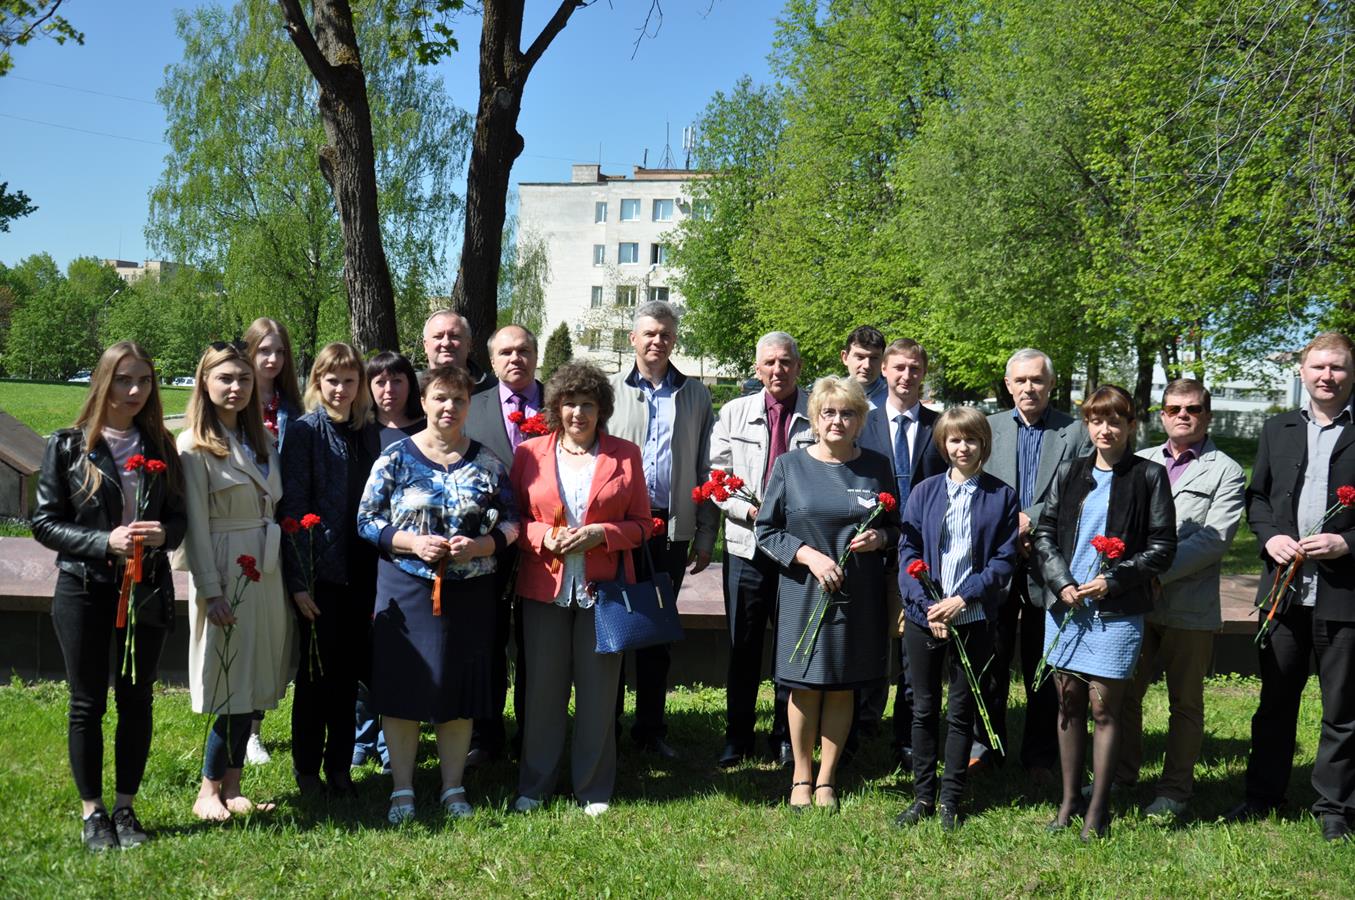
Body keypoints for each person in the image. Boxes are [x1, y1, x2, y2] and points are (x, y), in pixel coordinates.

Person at [32, 341, 188, 851]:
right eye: (125, 379)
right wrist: (104, 542)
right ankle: (92, 812)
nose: (136, 390)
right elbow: (44, 521)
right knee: (86, 702)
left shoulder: (161, 444)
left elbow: (180, 517)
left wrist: (165, 534)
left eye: (144, 380)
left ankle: (125, 806)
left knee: (137, 699)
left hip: (145, 590)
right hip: (84, 587)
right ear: (104, 381)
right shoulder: (68, 445)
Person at [356, 365, 519, 823]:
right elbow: (366, 521)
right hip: (406, 589)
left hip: (470, 593)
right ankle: (402, 789)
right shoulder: (395, 459)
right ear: (424, 402)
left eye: (459, 400)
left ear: (469, 405)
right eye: (441, 398)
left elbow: (513, 522)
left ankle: (452, 787)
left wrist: (483, 545)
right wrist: (412, 542)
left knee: (459, 689)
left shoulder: (488, 462)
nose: (450, 407)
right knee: (403, 687)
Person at [1225, 332, 1355, 843]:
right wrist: (1270, 536)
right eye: (1319, 366)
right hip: (1284, 593)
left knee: (1343, 708)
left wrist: (1348, 544)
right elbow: (1257, 499)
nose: (1328, 376)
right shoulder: (1276, 428)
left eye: (1339, 368)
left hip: (1344, 595)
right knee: (1276, 699)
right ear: (1302, 371)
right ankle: (1262, 794)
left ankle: (1335, 806)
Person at [509, 361, 653, 816]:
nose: (577, 413)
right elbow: (515, 519)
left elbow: (643, 525)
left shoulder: (624, 455)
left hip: (603, 592)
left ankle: (593, 789)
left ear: (601, 409)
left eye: (587, 404)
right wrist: (542, 538)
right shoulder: (529, 453)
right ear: (555, 406)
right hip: (544, 588)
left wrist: (601, 535)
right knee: (542, 694)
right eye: (569, 403)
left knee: (598, 695)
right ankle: (534, 786)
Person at [1033, 384, 1175, 840]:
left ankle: (1099, 806)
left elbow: (1162, 547)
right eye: (1096, 420)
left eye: (1115, 420)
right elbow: (1044, 534)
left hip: (1116, 612)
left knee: (1103, 707)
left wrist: (1113, 580)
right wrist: (1062, 582)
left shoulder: (1149, 476)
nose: (1105, 429)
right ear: (1087, 424)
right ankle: (1069, 800)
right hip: (1067, 607)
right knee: (1067, 702)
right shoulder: (1070, 472)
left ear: (1132, 425)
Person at [756, 376, 900, 811]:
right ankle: (800, 775)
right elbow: (766, 530)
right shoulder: (789, 465)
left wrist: (880, 539)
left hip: (859, 594)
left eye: (848, 413)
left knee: (842, 685)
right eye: (829, 413)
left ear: (860, 421)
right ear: (815, 419)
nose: (838, 421)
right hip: (803, 590)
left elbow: (897, 527)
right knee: (804, 685)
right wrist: (808, 557)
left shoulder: (876, 467)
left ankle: (827, 779)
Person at [1112, 379, 1244, 822]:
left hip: (1189, 604)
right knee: (1124, 694)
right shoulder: (1141, 461)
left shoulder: (1226, 470)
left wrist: (1151, 572)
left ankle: (1174, 790)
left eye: (1193, 408)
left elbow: (1213, 539)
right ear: (1162, 415)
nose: (1183, 415)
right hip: (1137, 603)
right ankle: (1121, 773)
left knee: (1184, 703)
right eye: (1174, 408)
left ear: (1206, 414)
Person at [174, 341, 293, 821]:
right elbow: (196, 527)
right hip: (225, 567)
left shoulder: (258, 440)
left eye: (243, 379)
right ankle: (207, 790)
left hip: (265, 567)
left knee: (252, 678)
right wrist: (211, 589)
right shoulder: (193, 446)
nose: (236, 387)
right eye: (225, 378)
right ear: (204, 382)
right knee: (227, 682)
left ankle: (235, 784)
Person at [895, 407, 1018, 830]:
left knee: (962, 711)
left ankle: (951, 799)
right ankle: (923, 796)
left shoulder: (1002, 496)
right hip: (924, 616)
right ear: (942, 444)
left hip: (974, 616)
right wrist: (928, 605)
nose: (961, 447)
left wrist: (961, 600)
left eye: (970, 440)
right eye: (953, 440)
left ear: (983, 443)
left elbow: (1002, 563)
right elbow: (907, 552)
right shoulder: (924, 491)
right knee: (924, 708)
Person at [607, 300, 718, 759]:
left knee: (656, 632)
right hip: (615, 529)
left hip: (669, 530)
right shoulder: (610, 390)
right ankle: (605, 728)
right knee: (611, 629)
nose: (657, 341)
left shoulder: (695, 395)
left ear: (675, 340)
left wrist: (706, 534)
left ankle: (651, 731)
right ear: (632, 338)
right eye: (649, 333)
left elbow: (705, 468)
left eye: (666, 334)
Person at [974, 348, 1090, 776]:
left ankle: (1041, 753)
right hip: (995, 562)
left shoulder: (1076, 433)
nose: (1029, 388)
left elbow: (1081, 490)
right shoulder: (987, 429)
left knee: (1045, 662)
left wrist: (1030, 521)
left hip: (1049, 562)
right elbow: (974, 484)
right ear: (1008, 385)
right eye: (1020, 380)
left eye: (1037, 380)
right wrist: (1009, 526)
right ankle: (987, 746)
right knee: (992, 659)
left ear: (1051, 385)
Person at [707, 331, 814, 769]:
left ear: (798, 367)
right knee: (744, 645)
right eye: (769, 362)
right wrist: (750, 512)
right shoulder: (734, 413)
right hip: (746, 546)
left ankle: (785, 736)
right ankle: (737, 735)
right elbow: (717, 479)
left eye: (786, 362)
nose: (777, 370)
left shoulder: (816, 413)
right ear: (756, 368)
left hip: (795, 551)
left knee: (789, 648)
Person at [280, 342, 379, 797]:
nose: (340, 389)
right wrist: (299, 581)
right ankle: (306, 769)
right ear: (318, 382)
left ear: (360, 385)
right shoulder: (305, 432)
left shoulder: (367, 431)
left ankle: (340, 767)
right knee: (316, 677)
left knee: (348, 675)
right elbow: (295, 507)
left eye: (349, 380)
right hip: (320, 574)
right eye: (332, 380)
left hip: (362, 572)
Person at [856, 337, 947, 765]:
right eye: (898, 368)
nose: (906, 376)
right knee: (867, 642)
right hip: (869, 550)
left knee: (916, 651)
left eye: (914, 368)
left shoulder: (939, 426)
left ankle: (908, 738)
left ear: (922, 373)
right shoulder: (862, 423)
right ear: (885, 372)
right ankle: (858, 726)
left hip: (924, 556)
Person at [464, 324, 544, 765]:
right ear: (492, 361)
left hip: (546, 541)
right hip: (488, 544)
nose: (516, 358)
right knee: (488, 639)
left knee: (536, 642)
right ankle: (486, 734)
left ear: (537, 355)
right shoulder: (472, 409)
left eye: (525, 350)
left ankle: (533, 733)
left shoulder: (559, 405)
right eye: (507, 352)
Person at [352, 350, 426, 773]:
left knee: (396, 650)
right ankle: (361, 734)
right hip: (363, 553)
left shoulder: (423, 431)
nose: (388, 390)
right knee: (364, 650)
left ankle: (389, 739)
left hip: (407, 561)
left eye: (396, 380)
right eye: (378, 381)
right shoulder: (359, 431)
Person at [241, 316, 304, 766]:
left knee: (274, 635)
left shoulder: (292, 409)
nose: (272, 359)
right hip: (243, 528)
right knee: (247, 630)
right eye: (264, 350)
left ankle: (256, 725)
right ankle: (241, 728)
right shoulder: (233, 404)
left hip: (285, 531)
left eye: (279, 352)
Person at [421, 308, 496, 394]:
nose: (446, 343)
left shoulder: (494, 388)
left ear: (469, 344)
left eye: (454, 336)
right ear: (425, 345)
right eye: (438, 336)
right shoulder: (410, 387)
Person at [841, 325, 889, 410]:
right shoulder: (828, 398)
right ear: (845, 358)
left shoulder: (895, 401)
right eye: (860, 357)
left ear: (883, 361)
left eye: (874, 358)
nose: (867, 365)